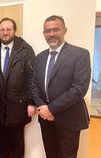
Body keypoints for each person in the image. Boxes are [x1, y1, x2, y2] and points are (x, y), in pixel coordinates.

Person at [32, 15, 91, 158]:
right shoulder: (39, 58)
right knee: (50, 154)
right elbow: (33, 86)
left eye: (56, 29)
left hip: (69, 118)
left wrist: (51, 109)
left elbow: (79, 88)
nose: (51, 34)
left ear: (64, 30)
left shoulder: (80, 54)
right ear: (44, 33)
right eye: (47, 31)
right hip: (46, 120)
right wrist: (43, 108)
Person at [0, 17, 36, 158]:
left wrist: (32, 102)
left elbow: (33, 77)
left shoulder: (25, 49)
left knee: (17, 143)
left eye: (8, 29)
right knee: (2, 142)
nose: (5, 32)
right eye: (2, 29)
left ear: (15, 31)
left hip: (18, 106)